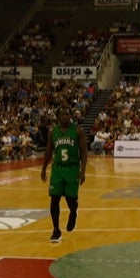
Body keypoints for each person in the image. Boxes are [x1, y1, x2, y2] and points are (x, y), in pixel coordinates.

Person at [39, 103, 85, 243]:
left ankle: (73, 212)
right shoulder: (53, 132)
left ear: (70, 116)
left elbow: (84, 152)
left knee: (71, 199)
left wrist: (82, 171)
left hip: (72, 168)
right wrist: (44, 168)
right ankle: (56, 230)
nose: (65, 116)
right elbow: (48, 151)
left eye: (67, 114)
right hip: (57, 168)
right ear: (58, 117)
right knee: (54, 199)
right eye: (62, 114)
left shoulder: (77, 130)